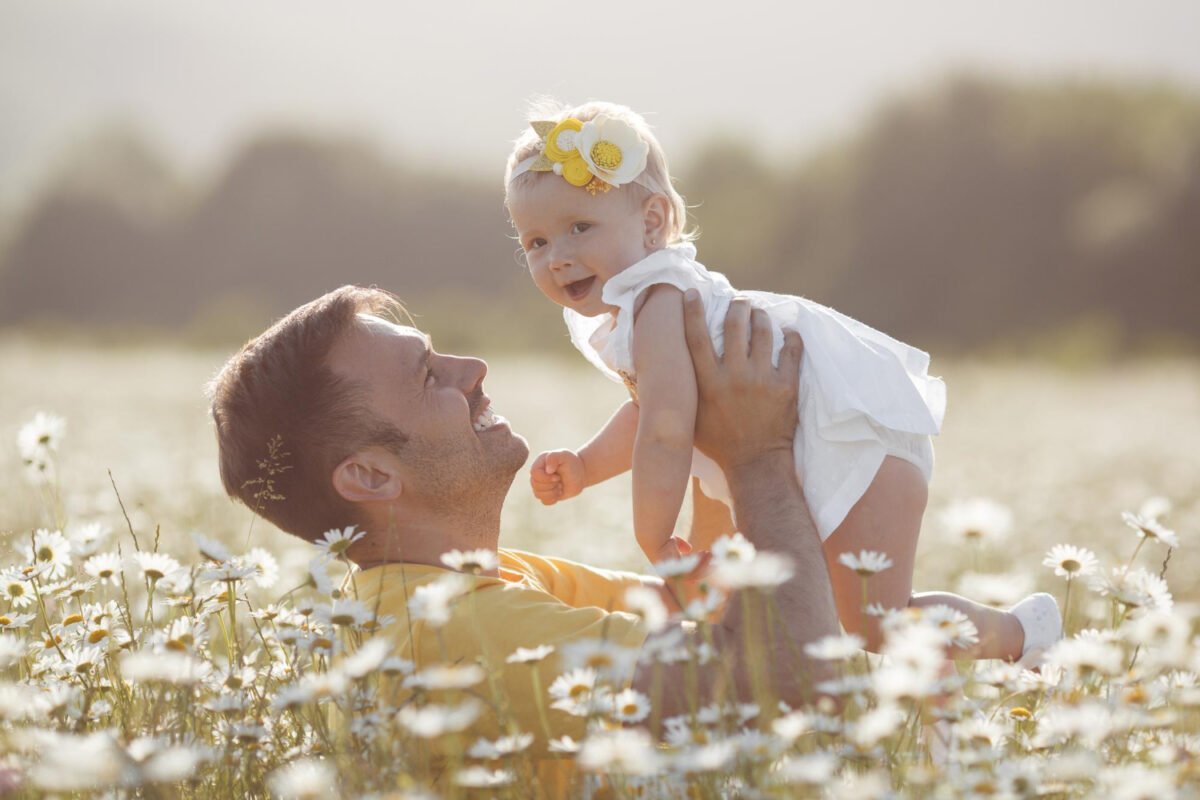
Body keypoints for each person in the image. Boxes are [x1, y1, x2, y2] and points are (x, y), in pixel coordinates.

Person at [208, 285, 841, 788]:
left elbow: (714, 614)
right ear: (371, 475)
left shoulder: (464, 587)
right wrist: (756, 455)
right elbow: (787, 679)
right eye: (428, 376)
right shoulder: (448, 634)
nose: (474, 367)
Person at [505, 100, 1061, 664]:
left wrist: (653, 534)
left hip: (853, 449)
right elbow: (654, 408)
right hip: (785, 453)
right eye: (537, 242)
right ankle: (751, 711)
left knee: (877, 626)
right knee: (716, 601)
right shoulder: (639, 308)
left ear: (651, 222)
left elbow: (666, 429)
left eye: (579, 227)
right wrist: (587, 463)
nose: (558, 258)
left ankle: (1021, 634)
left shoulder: (657, 300)